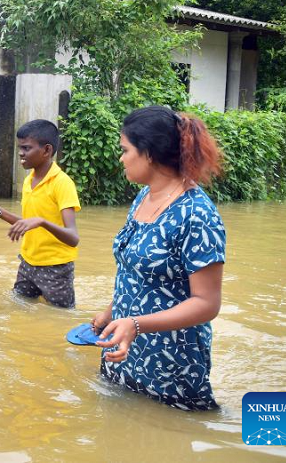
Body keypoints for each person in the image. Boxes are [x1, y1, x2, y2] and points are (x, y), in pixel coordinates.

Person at [92, 106, 225, 411]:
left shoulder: (197, 215)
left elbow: (207, 303)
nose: (121, 158)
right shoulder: (144, 196)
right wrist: (110, 313)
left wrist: (136, 324)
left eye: (125, 150)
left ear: (148, 153)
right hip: (124, 350)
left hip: (171, 364)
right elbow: (136, 271)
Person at [0, 119, 81, 308]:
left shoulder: (62, 184)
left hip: (56, 268)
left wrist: (42, 222)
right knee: (18, 308)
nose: (21, 154)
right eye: (20, 148)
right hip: (27, 263)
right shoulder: (28, 180)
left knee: (60, 317)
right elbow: (27, 222)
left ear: (47, 150)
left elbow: (73, 237)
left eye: (26, 148)